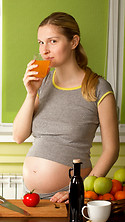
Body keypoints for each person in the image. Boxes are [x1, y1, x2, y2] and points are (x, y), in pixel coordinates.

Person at [13, 12, 119, 203]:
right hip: (31, 195)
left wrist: (78, 191)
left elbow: (111, 150)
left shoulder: (98, 88)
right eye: (40, 42)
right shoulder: (43, 82)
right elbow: (19, 136)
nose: (44, 50)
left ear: (73, 42)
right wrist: (30, 94)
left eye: (52, 41)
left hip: (68, 196)